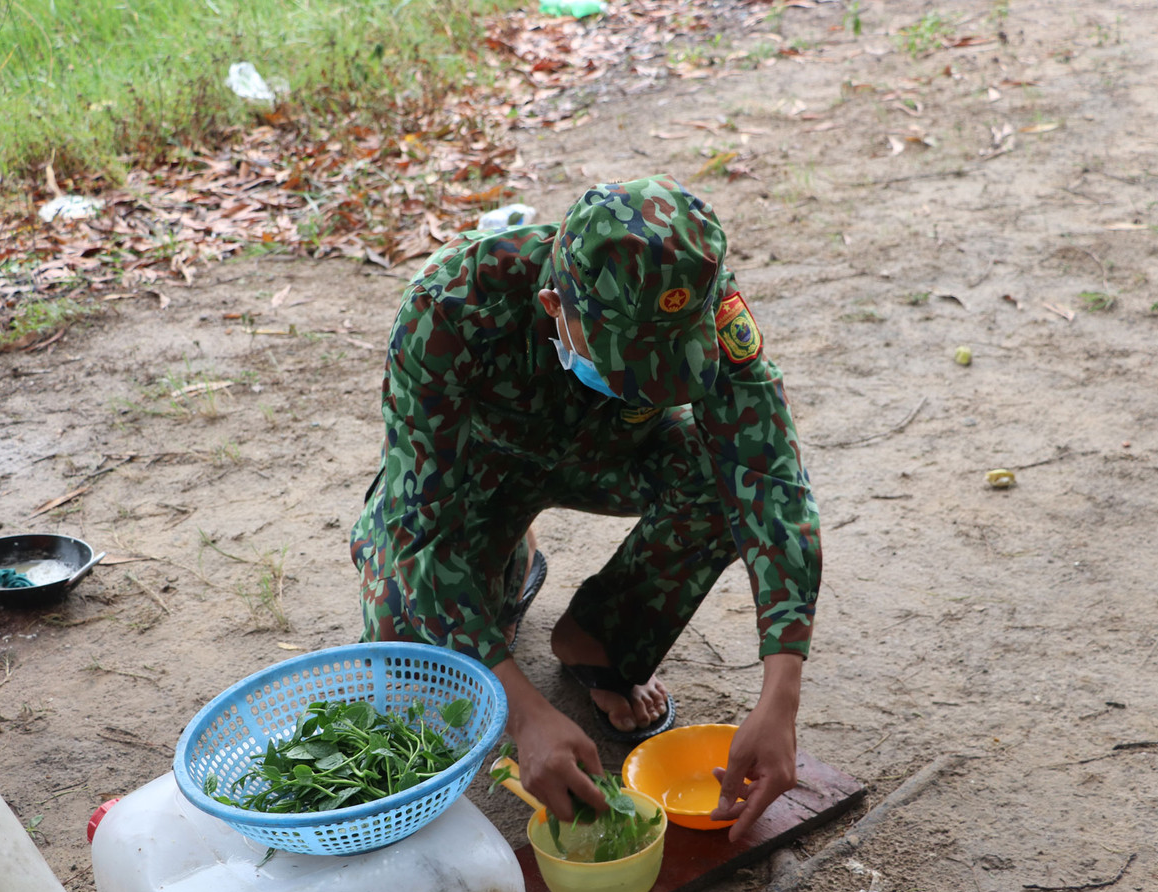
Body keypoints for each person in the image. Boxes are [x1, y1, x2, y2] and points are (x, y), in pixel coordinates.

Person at [350, 174, 821, 840]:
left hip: (612, 453)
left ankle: (601, 636)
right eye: (628, 362)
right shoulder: (451, 307)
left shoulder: (695, 296)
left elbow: (770, 476)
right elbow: (417, 538)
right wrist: (524, 714)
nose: (646, 379)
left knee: (724, 479)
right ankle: (507, 552)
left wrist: (782, 696)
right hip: (479, 479)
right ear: (554, 305)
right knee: (419, 679)